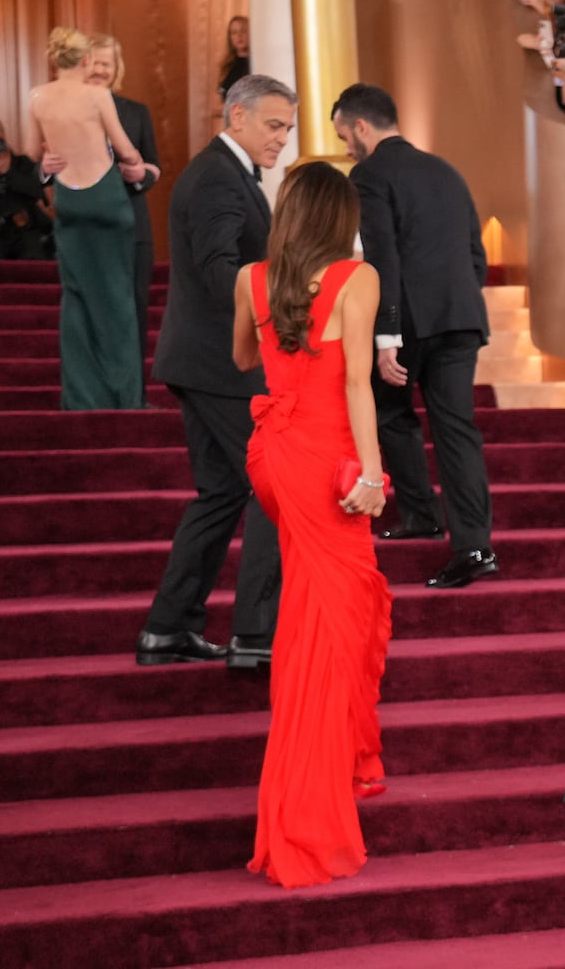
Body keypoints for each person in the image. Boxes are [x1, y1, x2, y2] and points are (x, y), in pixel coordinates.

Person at [233, 161, 394, 889]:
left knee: (316, 610)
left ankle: (313, 786)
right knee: (332, 623)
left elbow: (244, 358)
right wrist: (369, 472)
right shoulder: (358, 279)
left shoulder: (252, 278)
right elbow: (359, 381)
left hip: (274, 457)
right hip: (328, 459)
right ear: (341, 215)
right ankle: (311, 813)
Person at [141, 74, 297, 669]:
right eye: (273, 125)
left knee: (222, 492)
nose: (282, 138)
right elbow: (219, 270)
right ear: (236, 116)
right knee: (272, 485)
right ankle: (256, 637)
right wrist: (283, 313)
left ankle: (168, 629)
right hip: (222, 363)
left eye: (287, 127)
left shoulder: (224, 174)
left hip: (201, 358)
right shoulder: (216, 177)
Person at [331, 84, 498, 589]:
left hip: (409, 325)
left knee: (385, 409)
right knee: (456, 430)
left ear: (362, 127)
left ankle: (423, 513)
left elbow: (382, 256)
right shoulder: (446, 170)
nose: (344, 148)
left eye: (344, 136)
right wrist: (460, 301)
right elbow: (476, 254)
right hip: (461, 316)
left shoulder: (369, 173)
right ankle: (472, 544)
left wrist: (387, 338)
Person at [27, 27, 145, 411]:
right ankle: (125, 398)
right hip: (107, 202)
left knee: (75, 300)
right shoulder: (97, 95)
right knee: (117, 301)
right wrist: (139, 166)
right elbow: (126, 151)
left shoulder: (38, 97)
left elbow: (33, 152)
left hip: (69, 201)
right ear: (87, 61)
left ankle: (80, 398)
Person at [43, 35, 162, 386]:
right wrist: (45, 167)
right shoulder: (59, 109)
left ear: (116, 69)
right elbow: (46, 165)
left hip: (131, 222)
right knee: (83, 311)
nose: (98, 70)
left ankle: (131, 391)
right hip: (82, 225)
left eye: (106, 64)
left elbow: (153, 166)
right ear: (80, 64)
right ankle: (92, 389)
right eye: (93, 62)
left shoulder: (136, 112)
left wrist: (140, 175)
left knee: (132, 309)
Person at [0, 116, 52, 260]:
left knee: (33, 252)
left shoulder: (22, 163)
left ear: (3, 137)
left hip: (21, 229)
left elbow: (37, 192)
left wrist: (8, 172)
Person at [218, 15, 250, 101]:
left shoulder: (258, 63)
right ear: (230, 38)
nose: (239, 36)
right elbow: (221, 94)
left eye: (243, 31)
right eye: (234, 32)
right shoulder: (227, 65)